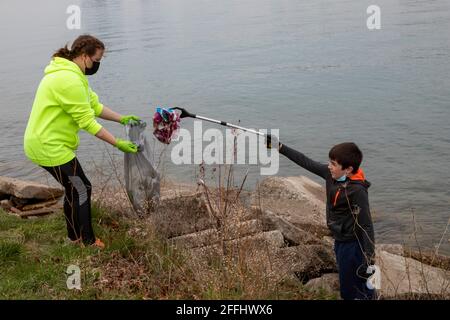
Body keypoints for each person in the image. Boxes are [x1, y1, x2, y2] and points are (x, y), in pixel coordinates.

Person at [24, 34, 140, 249]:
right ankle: (88, 242)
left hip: (50, 143)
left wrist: (121, 118)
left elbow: (94, 106)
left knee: (74, 188)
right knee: (82, 188)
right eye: (97, 60)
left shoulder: (74, 75)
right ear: (85, 56)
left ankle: (74, 237)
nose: (97, 65)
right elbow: (87, 121)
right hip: (48, 146)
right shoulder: (68, 80)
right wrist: (118, 143)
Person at [266, 136, 376, 299]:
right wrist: (281, 147)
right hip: (340, 241)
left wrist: (368, 260)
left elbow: (366, 225)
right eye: (329, 162)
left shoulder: (358, 191)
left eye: (334, 164)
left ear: (348, 169)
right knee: (354, 286)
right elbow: (305, 161)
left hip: (353, 246)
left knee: (354, 290)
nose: (329, 166)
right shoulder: (330, 175)